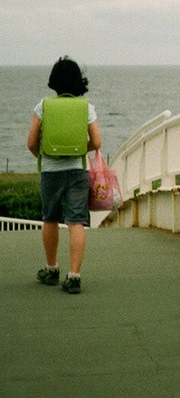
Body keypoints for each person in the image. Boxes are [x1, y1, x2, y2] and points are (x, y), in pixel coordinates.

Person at [27, 56, 102, 294]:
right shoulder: (86, 107)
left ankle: (51, 269)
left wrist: (45, 154)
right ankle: (74, 276)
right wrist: (81, 149)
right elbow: (98, 141)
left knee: (50, 218)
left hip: (50, 172)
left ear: (54, 81)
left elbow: (30, 143)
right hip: (78, 171)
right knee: (76, 221)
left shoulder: (44, 106)